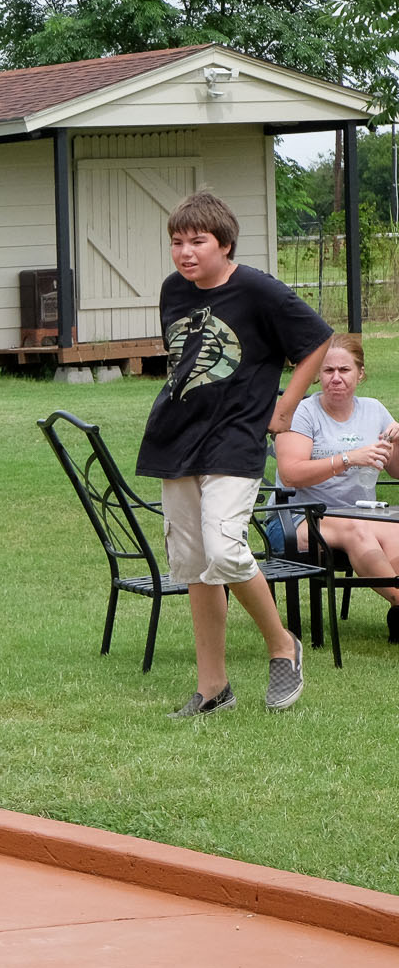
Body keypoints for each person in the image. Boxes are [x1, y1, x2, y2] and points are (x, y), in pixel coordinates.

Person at [134, 190, 331, 718]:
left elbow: (317, 340)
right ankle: (213, 688)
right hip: (177, 438)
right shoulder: (173, 290)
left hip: (236, 438)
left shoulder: (259, 290)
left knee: (224, 550)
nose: (185, 252)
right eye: (177, 242)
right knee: (195, 566)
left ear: (224, 243)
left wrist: (286, 406)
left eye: (197, 241)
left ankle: (282, 645)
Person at [274, 335, 399, 639]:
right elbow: (290, 475)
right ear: (318, 374)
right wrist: (348, 458)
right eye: (328, 370)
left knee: (394, 530)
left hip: (361, 513)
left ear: (360, 373)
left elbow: (396, 471)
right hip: (298, 517)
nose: (336, 378)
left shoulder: (374, 410)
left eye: (344, 370)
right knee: (357, 530)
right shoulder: (302, 412)